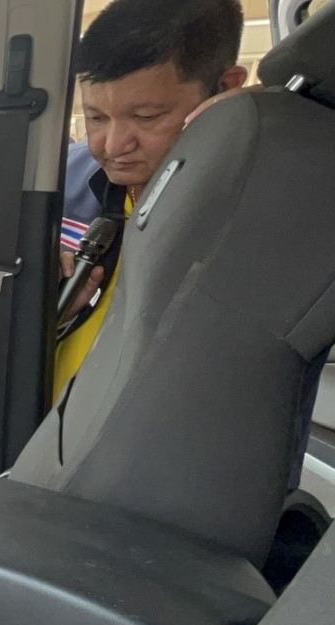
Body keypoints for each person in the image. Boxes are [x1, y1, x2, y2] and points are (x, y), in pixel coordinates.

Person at [54, 0, 249, 399]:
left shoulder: (260, 198)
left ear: (226, 89)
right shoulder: (56, 186)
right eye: (96, 117)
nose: (112, 146)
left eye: (145, 117)